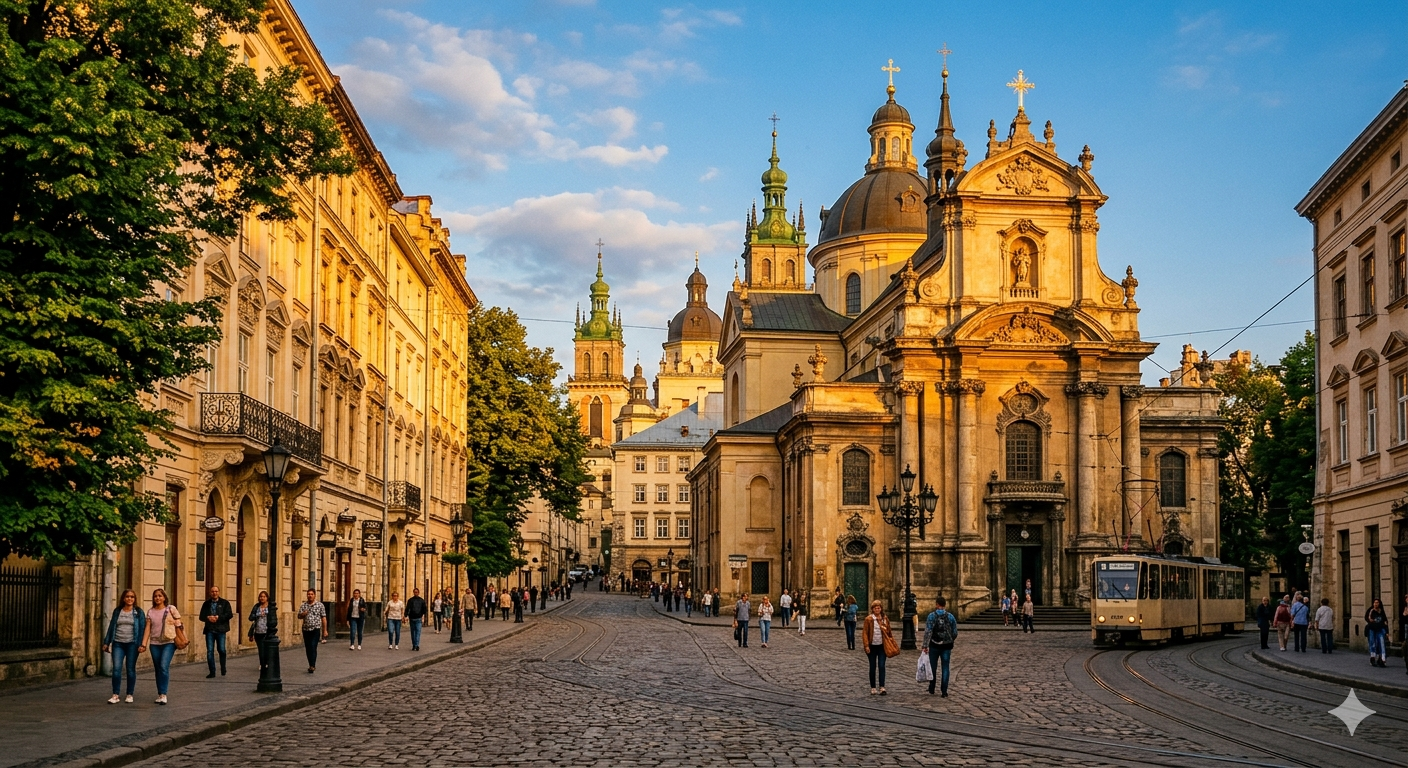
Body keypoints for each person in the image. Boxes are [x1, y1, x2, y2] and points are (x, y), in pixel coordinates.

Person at [102, 589, 145, 704]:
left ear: (134, 599)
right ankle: (115, 695)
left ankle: (129, 694)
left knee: (130, 669)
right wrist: (106, 642)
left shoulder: (138, 612)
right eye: (127, 597)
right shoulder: (117, 611)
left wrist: (142, 644)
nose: (129, 599)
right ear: (123, 598)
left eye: (132, 597)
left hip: (132, 644)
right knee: (116, 669)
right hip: (118, 643)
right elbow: (112, 626)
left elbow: (142, 629)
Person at [145, 588, 181, 704]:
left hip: (169, 642)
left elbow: (179, 623)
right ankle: (160, 693)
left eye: (160, 596)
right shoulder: (150, 612)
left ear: (164, 597)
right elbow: (148, 628)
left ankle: (164, 694)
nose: (158, 598)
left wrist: (176, 623)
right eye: (155, 596)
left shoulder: (171, 609)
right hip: (154, 644)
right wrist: (143, 643)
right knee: (158, 669)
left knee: (163, 666)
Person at [924, 596, 958, 697]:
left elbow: (928, 632)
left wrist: (925, 645)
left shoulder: (931, 616)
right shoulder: (951, 617)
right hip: (946, 646)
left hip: (934, 644)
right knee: (945, 667)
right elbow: (955, 632)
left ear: (937, 604)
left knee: (933, 667)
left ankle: (932, 687)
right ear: (945, 605)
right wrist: (950, 640)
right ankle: (944, 691)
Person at [198, 585, 233, 678]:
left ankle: (223, 667)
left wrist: (218, 617)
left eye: (216, 591)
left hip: (221, 629)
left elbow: (229, 614)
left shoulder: (225, 603)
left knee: (221, 650)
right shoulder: (206, 604)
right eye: (213, 591)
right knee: (210, 651)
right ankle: (212, 671)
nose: (214, 593)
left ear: (219, 592)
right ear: (210, 593)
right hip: (210, 629)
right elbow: (201, 616)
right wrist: (208, 617)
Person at [862, 600, 894, 695]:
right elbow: (865, 633)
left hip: (882, 646)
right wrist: (866, 645)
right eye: (875, 608)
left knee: (881, 665)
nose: (877, 610)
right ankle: (873, 687)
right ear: (872, 609)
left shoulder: (885, 619)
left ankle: (882, 687)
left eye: (879, 608)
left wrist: (890, 640)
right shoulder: (868, 619)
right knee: (872, 666)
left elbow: (889, 631)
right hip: (872, 646)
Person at [298, 589, 327, 673]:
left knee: (313, 646)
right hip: (306, 629)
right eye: (308, 594)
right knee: (308, 647)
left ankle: (312, 665)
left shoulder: (320, 605)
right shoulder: (304, 605)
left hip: (315, 629)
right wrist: (303, 614)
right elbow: (299, 616)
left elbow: (323, 618)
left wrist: (325, 630)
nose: (310, 596)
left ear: (314, 595)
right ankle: (310, 664)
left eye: (311, 594)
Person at [247, 590, 272, 675]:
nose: (262, 598)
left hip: (267, 631)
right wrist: (257, 615)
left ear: (267, 598)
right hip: (258, 631)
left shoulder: (270, 607)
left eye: (264, 597)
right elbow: (250, 617)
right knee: (261, 649)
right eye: (261, 597)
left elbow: (273, 618)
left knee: (267, 649)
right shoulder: (256, 607)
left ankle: (267, 663)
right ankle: (262, 664)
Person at [1365, 598, 1389, 667]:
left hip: (1380, 629)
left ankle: (1382, 659)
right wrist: (1370, 621)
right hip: (1372, 629)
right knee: (1372, 643)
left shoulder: (1381, 611)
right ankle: (1373, 658)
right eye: (1375, 602)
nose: (1376, 604)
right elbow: (1367, 617)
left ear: (1379, 604)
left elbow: (1385, 621)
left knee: (1381, 643)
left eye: (1377, 602)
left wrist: (1387, 631)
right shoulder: (1371, 610)